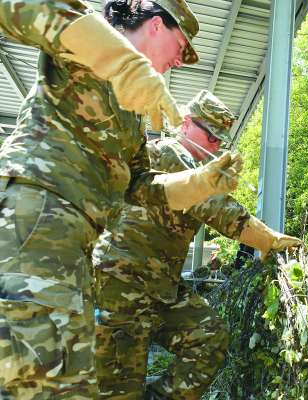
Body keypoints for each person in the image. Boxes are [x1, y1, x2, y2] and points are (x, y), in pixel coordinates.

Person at [0, 1, 242, 398]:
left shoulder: (133, 112)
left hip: (74, 248)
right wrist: (123, 62)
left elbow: (141, 186)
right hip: (35, 223)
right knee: (42, 387)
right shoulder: (84, 36)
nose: (179, 63)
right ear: (155, 25)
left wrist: (201, 182)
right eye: (181, 48)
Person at [92, 90, 302, 399]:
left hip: (161, 289)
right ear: (187, 123)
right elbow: (215, 207)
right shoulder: (169, 154)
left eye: (221, 140)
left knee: (210, 338)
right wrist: (269, 239)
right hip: (121, 283)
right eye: (211, 136)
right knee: (120, 388)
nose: (215, 146)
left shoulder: (197, 168)